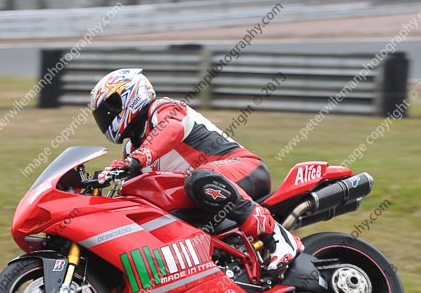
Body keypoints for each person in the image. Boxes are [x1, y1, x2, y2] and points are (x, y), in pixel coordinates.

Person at [89, 67, 300, 273]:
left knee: (200, 180)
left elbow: (169, 131)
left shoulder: (164, 109)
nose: (106, 116)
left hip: (244, 168)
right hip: (205, 196)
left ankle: (276, 236)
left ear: (131, 96)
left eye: (110, 107)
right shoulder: (132, 149)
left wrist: (136, 160)